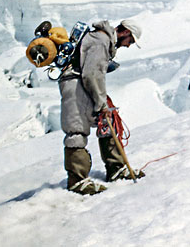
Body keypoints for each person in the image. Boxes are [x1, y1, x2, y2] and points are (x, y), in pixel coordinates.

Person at [59, 19, 144, 195]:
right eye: (131, 41)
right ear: (125, 32)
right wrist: (100, 102)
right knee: (76, 129)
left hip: (78, 81)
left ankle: (116, 168)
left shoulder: (102, 39)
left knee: (107, 121)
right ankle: (77, 180)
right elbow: (92, 75)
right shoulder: (101, 41)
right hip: (74, 83)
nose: (128, 46)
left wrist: (102, 102)